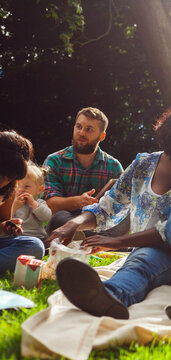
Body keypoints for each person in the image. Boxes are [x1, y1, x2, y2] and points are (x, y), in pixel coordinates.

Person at [48, 98, 171, 321]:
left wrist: (118, 241)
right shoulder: (143, 165)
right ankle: (109, 297)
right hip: (160, 251)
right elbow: (108, 207)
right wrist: (72, 224)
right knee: (141, 259)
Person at [43, 107, 124, 234]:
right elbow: (50, 204)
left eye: (89, 129)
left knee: (124, 223)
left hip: (98, 222)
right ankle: (97, 239)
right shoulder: (54, 160)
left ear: (102, 136)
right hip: (64, 222)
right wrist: (79, 201)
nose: (81, 133)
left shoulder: (114, 166)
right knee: (59, 218)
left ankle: (88, 238)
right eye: (78, 127)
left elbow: (122, 207)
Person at [0, 131, 45, 274]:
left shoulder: (9, 188)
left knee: (35, 246)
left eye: (10, 177)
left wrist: (5, 227)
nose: (4, 182)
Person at [11, 162, 52, 243]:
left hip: (37, 237)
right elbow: (5, 218)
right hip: (16, 237)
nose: (21, 189)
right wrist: (14, 206)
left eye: (27, 186)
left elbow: (46, 217)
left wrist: (33, 204)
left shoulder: (39, 203)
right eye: (17, 186)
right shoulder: (11, 203)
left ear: (39, 190)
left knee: (45, 243)